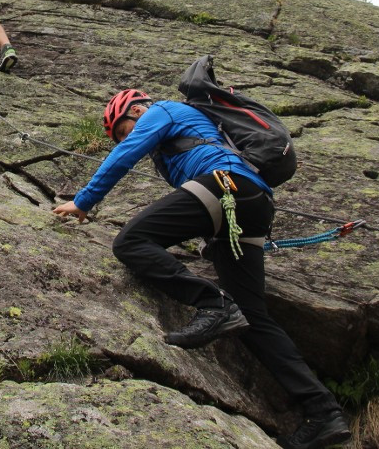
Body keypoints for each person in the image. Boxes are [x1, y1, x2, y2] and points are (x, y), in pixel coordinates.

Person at [53, 89, 351, 449]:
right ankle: (324, 412)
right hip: (250, 205)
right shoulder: (179, 141)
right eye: (123, 133)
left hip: (225, 185)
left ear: (135, 109)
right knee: (253, 317)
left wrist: (84, 201)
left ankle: (213, 304)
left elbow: (125, 154)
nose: (128, 137)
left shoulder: (162, 110)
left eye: (124, 128)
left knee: (131, 241)